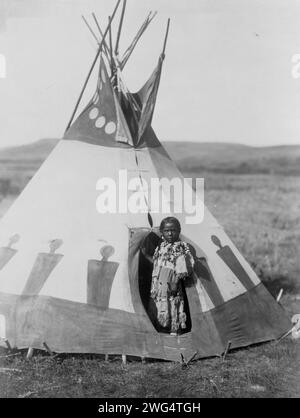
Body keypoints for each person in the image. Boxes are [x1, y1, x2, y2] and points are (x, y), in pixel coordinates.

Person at [149, 217, 195, 336]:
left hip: (172, 283)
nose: (170, 233)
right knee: (160, 305)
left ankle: (173, 330)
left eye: (173, 230)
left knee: (173, 304)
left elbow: (184, 268)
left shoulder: (181, 247)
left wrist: (175, 282)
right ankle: (162, 329)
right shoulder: (160, 246)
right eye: (166, 230)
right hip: (159, 283)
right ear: (161, 232)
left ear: (179, 231)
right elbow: (157, 264)